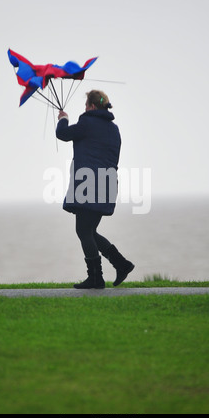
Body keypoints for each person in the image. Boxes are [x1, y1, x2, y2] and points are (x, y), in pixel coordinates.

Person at [56, 90, 134, 289]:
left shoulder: (87, 123)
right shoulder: (114, 129)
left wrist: (63, 119)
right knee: (89, 230)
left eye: (85, 106)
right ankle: (121, 264)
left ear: (91, 106)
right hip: (107, 184)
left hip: (88, 183)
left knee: (83, 230)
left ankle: (96, 278)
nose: (85, 109)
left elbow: (62, 134)